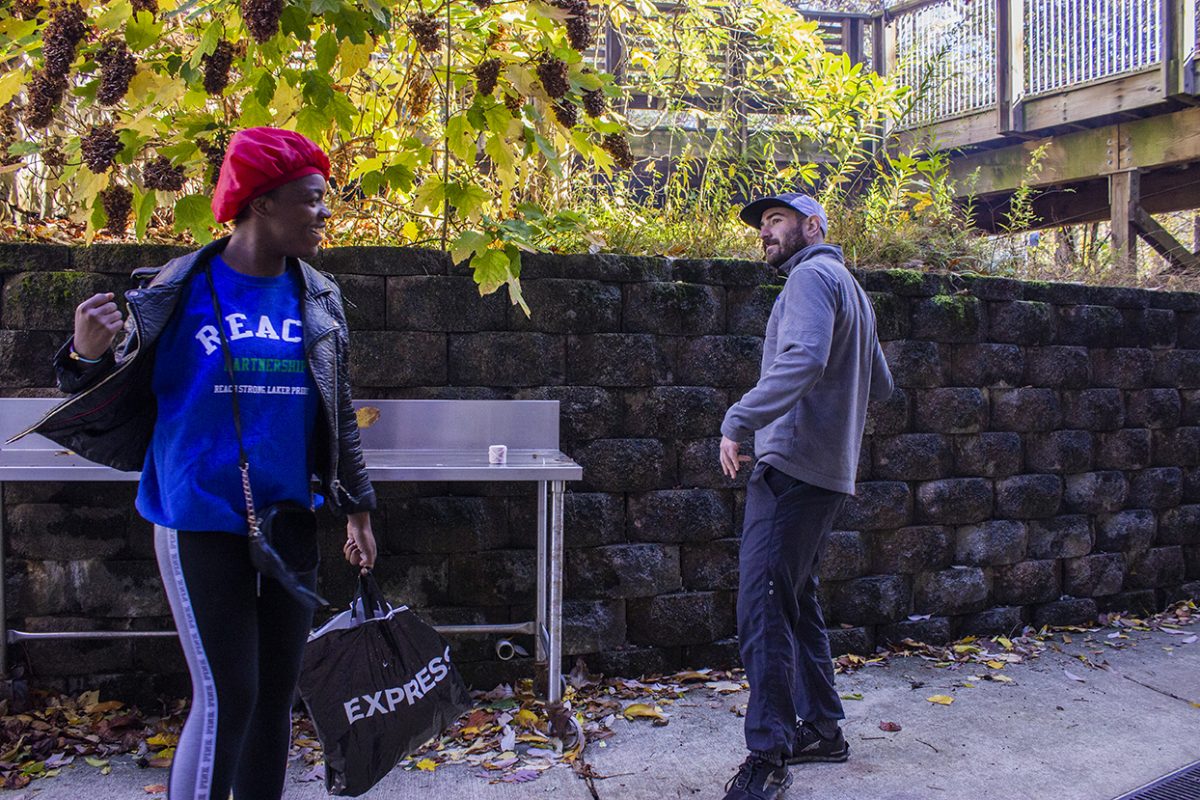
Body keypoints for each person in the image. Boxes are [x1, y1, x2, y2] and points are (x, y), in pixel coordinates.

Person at [25, 127, 377, 800]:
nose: (325, 213)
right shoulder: (178, 288)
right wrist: (85, 352)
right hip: (198, 514)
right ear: (262, 202)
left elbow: (338, 410)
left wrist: (357, 510)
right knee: (229, 695)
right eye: (311, 199)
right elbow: (99, 389)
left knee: (276, 698)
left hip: (290, 520)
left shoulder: (319, 296)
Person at [718, 192, 893, 800]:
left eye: (776, 221)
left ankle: (767, 757)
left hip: (791, 468)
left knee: (761, 605)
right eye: (762, 225)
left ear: (812, 226)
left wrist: (738, 420)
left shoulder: (810, 279)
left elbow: (805, 358)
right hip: (828, 474)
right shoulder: (851, 288)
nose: (765, 233)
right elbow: (884, 383)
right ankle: (822, 727)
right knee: (796, 599)